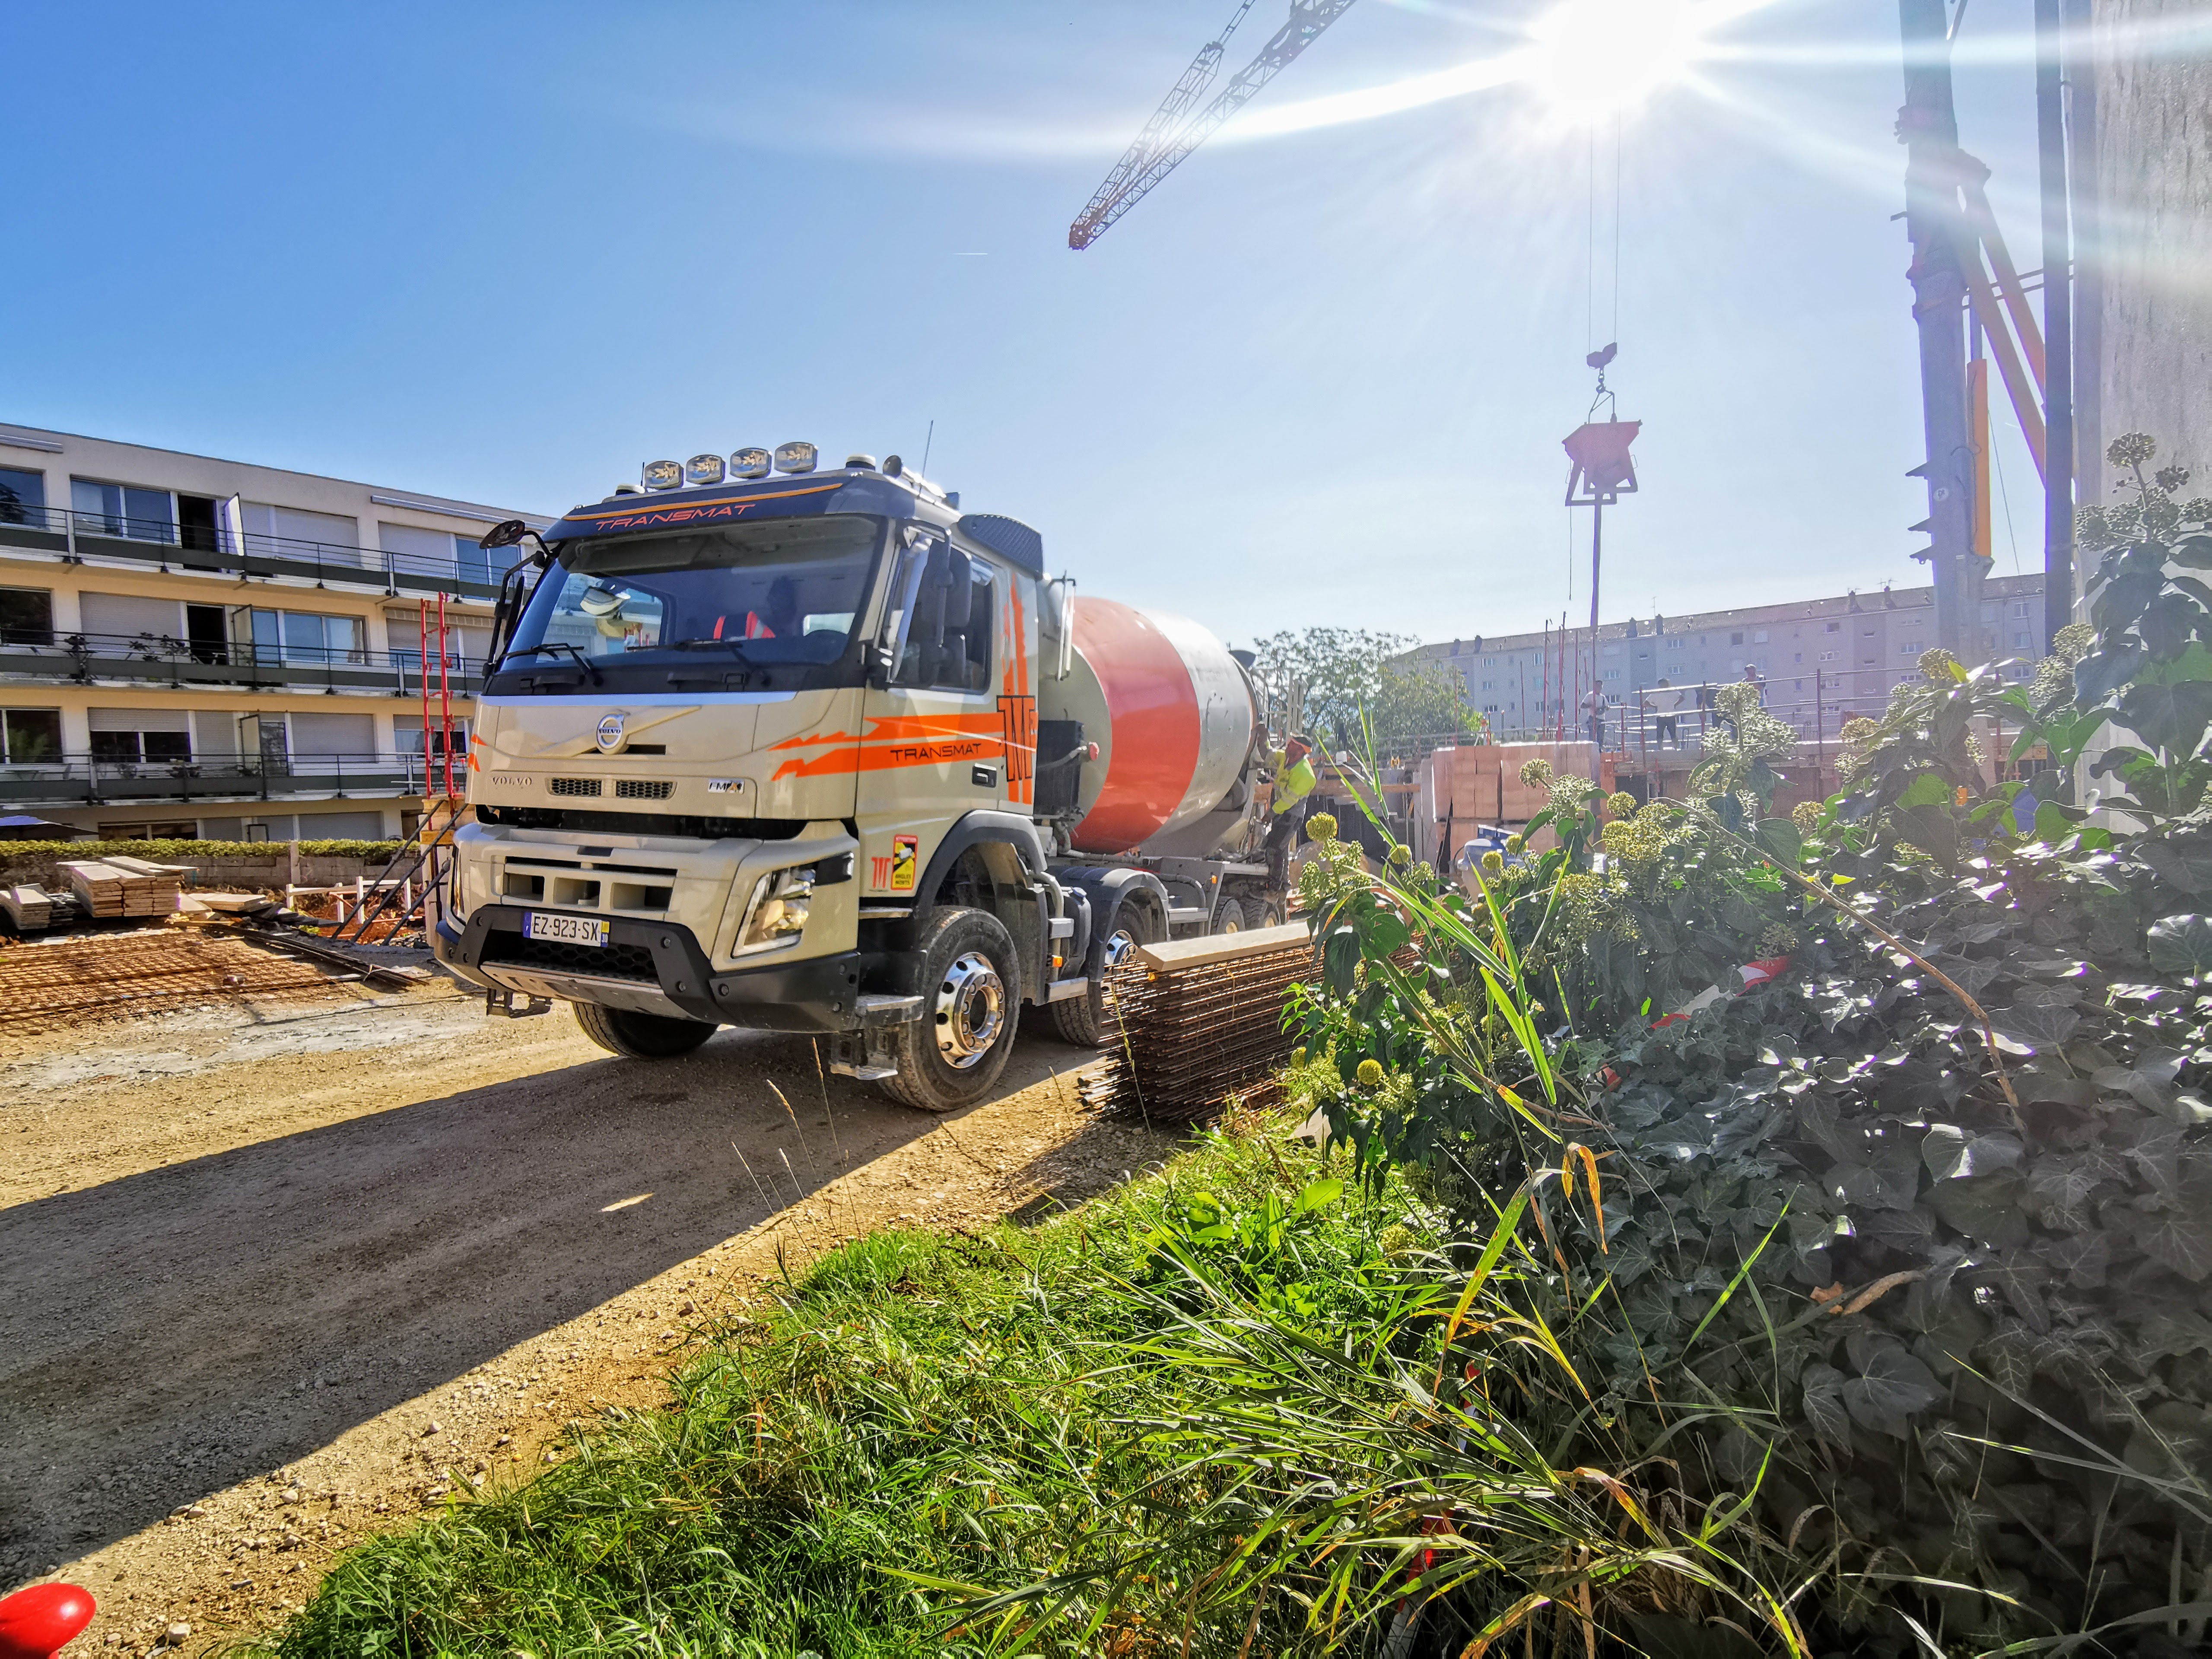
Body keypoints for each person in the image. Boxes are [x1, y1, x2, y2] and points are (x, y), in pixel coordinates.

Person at [1646, 678, 1686, 748]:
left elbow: (1682, 698)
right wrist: (1655, 707)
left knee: (1670, 733)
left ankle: (1675, 748)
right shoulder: (1657, 693)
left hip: (1668, 715)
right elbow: (1645, 703)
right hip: (1663, 716)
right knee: (1663, 734)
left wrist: (1674, 705)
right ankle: (1663, 748)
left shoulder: (1672, 692)